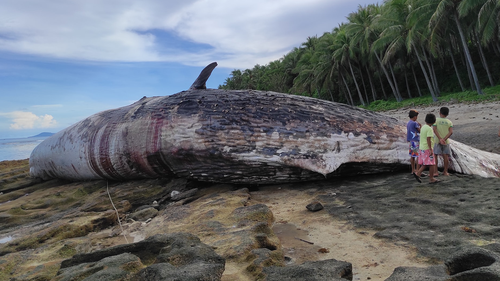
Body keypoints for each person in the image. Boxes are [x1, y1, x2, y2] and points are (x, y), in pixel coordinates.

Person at [414, 113, 439, 184]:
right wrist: (430, 149)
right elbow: (428, 139)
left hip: (422, 147)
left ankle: (419, 173)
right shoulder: (429, 129)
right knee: (431, 163)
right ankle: (420, 174)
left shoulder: (423, 127)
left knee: (427, 162)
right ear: (434, 121)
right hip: (427, 148)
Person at [433, 107, 453, 176]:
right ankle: (445, 171)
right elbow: (451, 132)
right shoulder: (449, 122)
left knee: (435, 155)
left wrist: (440, 138)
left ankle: (436, 172)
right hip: (446, 141)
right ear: (447, 114)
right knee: (445, 156)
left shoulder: (436, 120)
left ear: (440, 113)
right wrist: (444, 139)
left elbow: (434, 130)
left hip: (437, 141)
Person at [407, 110, 421, 175]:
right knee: (418, 155)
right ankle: (417, 170)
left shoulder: (408, 123)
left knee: (412, 156)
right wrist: (420, 126)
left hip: (411, 141)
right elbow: (419, 131)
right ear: (415, 116)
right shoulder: (415, 123)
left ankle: (413, 170)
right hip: (415, 140)